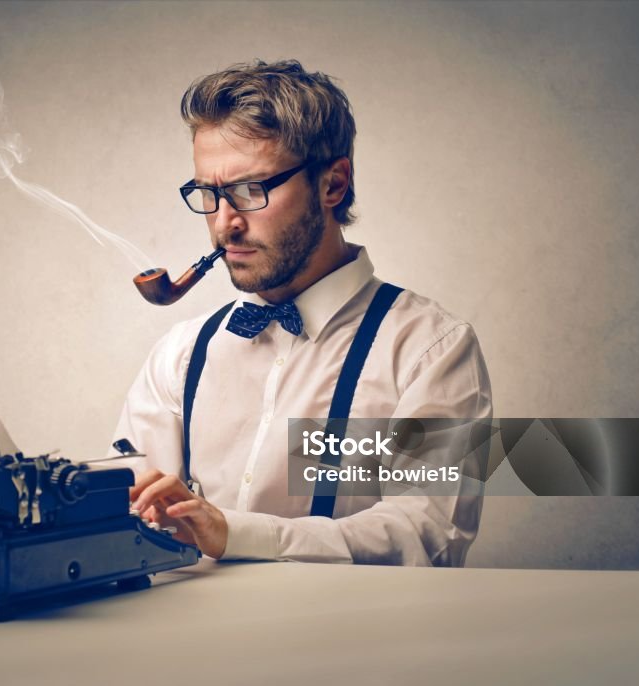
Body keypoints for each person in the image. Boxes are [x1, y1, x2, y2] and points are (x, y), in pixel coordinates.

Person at [111, 60, 491, 566]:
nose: (225, 224)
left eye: (251, 190)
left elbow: (426, 532)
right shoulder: (180, 355)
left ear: (332, 184)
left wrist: (235, 533)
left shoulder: (429, 349)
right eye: (209, 194)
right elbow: (130, 518)